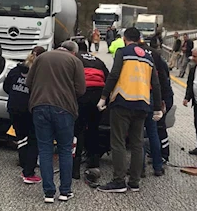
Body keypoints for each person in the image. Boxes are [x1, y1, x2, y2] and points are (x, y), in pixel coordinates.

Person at [97, 27, 162, 193]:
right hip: (143, 104)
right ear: (139, 38)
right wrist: (156, 108)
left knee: (118, 141)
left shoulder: (123, 52)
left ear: (125, 38)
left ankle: (118, 181)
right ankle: (134, 181)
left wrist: (104, 97)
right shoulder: (148, 56)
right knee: (137, 143)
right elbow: (155, 82)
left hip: (123, 102)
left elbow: (114, 74)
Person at [26, 41, 86, 203]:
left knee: (45, 150)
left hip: (39, 107)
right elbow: (81, 90)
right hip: (64, 109)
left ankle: (48, 193)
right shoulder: (75, 61)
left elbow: (28, 82)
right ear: (73, 52)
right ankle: (65, 191)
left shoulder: (41, 58)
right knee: (65, 150)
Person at [4, 46, 46, 184]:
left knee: (21, 136)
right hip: (29, 108)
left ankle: (23, 163)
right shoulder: (39, 73)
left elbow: (6, 87)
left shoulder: (15, 70)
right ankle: (29, 172)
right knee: (34, 139)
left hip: (13, 107)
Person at [73, 40, 109, 180]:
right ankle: (93, 163)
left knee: (78, 130)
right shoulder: (98, 60)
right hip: (98, 95)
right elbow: (108, 78)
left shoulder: (75, 58)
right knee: (94, 129)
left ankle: (75, 169)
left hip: (83, 95)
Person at [149, 37, 174, 164]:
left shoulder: (156, 61)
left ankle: (164, 155)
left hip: (163, 97)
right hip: (162, 96)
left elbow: (162, 82)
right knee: (156, 127)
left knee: (159, 127)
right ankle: (158, 154)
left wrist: (161, 102)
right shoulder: (158, 59)